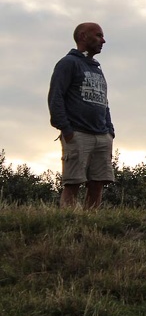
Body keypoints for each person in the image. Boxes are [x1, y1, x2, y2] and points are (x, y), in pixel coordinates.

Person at [48, 22, 115, 208]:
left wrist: (110, 131)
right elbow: (56, 96)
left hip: (102, 135)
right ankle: (69, 226)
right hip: (77, 133)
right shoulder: (68, 63)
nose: (103, 40)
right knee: (73, 183)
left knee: (98, 183)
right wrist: (66, 129)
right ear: (83, 36)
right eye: (98, 35)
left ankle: (90, 226)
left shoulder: (96, 68)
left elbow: (104, 101)